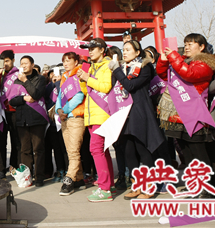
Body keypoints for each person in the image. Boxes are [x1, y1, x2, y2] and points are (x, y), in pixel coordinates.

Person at [156, 34, 215, 183]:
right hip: (179, 114)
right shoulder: (183, 62)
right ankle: (196, 183)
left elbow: (189, 75)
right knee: (186, 152)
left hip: (194, 115)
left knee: (199, 153)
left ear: (201, 47)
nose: (186, 47)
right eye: (185, 44)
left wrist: (174, 56)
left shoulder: (205, 64)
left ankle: (208, 185)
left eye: (191, 44)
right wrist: (163, 60)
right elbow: (163, 75)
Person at [109, 40, 164, 200]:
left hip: (139, 113)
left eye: (128, 50)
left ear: (137, 52)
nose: (124, 52)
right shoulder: (121, 69)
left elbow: (130, 86)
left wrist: (117, 71)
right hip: (123, 114)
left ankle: (148, 187)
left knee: (143, 150)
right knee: (128, 151)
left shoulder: (145, 68)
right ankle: (136, 185)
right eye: (123, 50)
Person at [78, 38, 115, 203]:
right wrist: (83, 79)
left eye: (93, 48)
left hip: (102, 114)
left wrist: (87, 77)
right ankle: (108, 183)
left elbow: (105, 87)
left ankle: (105, 189)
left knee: (95, 149)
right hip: (92, 115)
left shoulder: (108, 66)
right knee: (102, 150)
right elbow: (87, 91)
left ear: (102, 50)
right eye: (89, 48)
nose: (90, 51)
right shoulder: (92, 67)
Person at [8, 55, 48, 186]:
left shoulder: (40, 79)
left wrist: (25, 80)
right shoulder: (16, 81)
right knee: (25, 150)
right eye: (21, 63)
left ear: (32, 65)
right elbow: (12, 100)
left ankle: (40, 176)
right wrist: (24, 98)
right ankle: (27, 177)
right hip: (21, 119)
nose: (23, 65)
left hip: (37, 118)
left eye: (26, 63)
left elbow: (36, 94)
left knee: (38, 149)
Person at [55, 52, 89, 196]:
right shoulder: (64, 77)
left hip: (76, 117)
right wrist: (58, 109)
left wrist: (65, 109)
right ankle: (79, 178)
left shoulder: (79, 74)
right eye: (64, 61)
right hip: (64, 118)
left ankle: (68, 180)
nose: (66, 63)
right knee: (70, 152)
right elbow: (59, 96)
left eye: (69, 60)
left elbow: (80, 95)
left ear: (76, 61)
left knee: (74, 151)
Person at [0, 49, 20, 177]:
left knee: (16, 142)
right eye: (3, 61)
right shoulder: (1, 74)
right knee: (1, 142)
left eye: (7, 61)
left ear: (13, 61)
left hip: (15, 112)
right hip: (2, 113)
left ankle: (14, 168)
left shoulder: (19, 74)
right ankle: (1, 169)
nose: (5, 63)